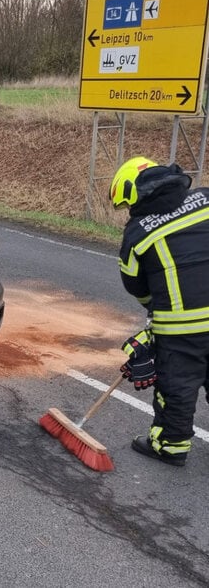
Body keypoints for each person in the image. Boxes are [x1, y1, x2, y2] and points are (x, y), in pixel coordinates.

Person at [111, 155, 209, 467]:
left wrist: (157, 315)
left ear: (134, 194)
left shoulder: (137, 233)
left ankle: (171, 445)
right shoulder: (205, 198)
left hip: (183, 327)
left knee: (177, 384)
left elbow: (136, 286)